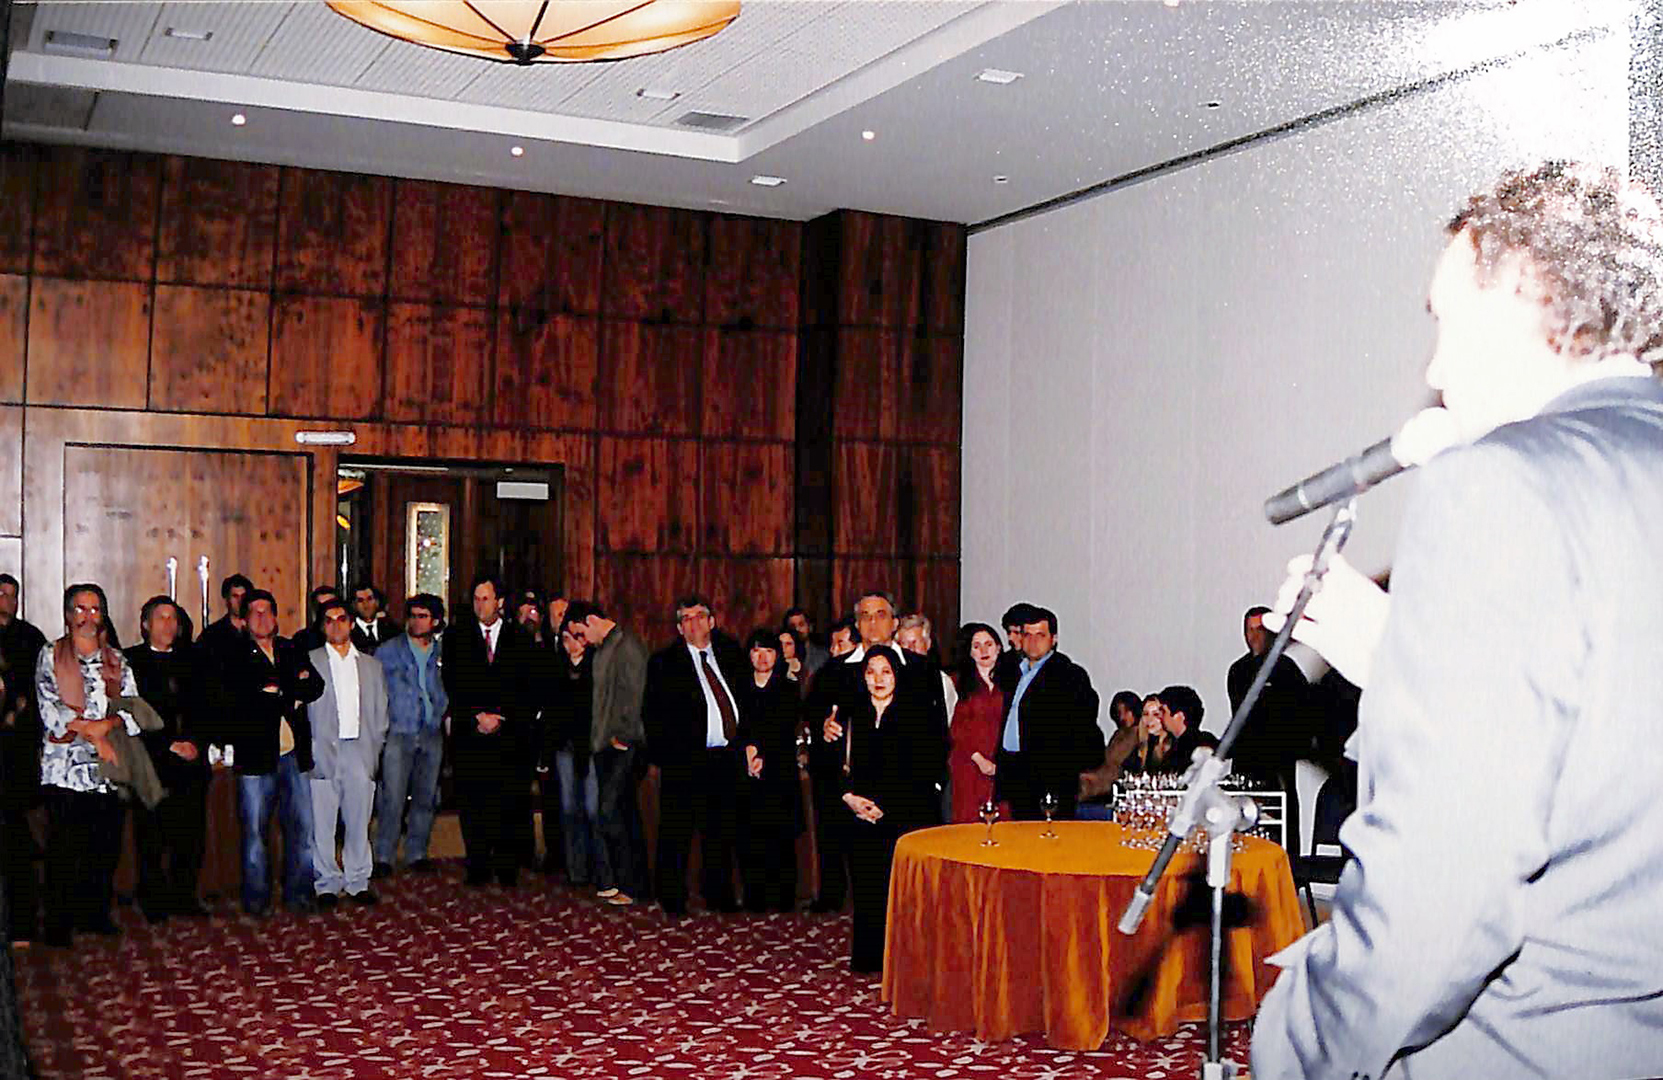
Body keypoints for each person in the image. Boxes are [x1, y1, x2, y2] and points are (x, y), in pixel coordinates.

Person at [1251, 162, 1663, 1079]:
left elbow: (1441, 888)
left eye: (1443, 318)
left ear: (1520, 288)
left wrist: (1296, 1042)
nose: (1432, 372)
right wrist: (1397, 664)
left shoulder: (1497, 482)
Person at [36, 584, 138, 946]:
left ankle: (95, 915)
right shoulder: (51, 655)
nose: (88, 616)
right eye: (80, 609)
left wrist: (105, 727)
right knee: (64, 848)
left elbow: (132, 709)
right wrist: (92, 733)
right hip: (64, 768)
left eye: (95, 609)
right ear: (68, 615)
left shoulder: (116, 660)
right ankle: (59, 923)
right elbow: (49, 709)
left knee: (104, 846)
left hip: (107, 769)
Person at [644, 595, 749, 917]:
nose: (694, 624)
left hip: (726, 758)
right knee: (676, 832)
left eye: (700, 616)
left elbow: (746, 700)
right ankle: (672, 898)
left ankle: (719, 894)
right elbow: (652, 714)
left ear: (712, 621)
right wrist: (668, 756)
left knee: (721, 831)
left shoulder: (731, 654)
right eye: (686, 619)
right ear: (679, 628)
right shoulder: (664, 662)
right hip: (685, 761)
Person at [840, 646, 943, 974]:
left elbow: (925, 770)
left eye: (886, 671)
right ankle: (869, 956)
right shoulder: (851, 713)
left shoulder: (916, 714)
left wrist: (885, 806)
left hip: (904, 816)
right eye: (871, 672)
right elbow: (833, 765)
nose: (878, 679)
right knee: (867, 888)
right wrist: (850, 798)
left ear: (897, 675)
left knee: (902, 892)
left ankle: (902, 961)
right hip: (859, 814)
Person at [225, 590, 325, 916]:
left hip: (294, 755)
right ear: (244, 620)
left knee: (302, 830)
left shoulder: (290, 648)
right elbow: (239, 700)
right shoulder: (234, 655)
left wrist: (277, 691)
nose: (262, 617)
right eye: (255, 612)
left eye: (268, 611)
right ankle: (257, 901)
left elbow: (315, 686)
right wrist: (289, 691)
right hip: (255, 758)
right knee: (255, 833)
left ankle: (299, 895)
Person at [441, 576, 533, 887]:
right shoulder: (457, 636)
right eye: (476, 599)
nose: (480, 605)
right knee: (473, 801)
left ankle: (506, 865)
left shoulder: (520, 637)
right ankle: (477, 864)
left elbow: (526, 685)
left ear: (500, 602)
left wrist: (501, 717)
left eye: (486, 598)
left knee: (508, 800)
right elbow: (452, 681)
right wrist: (477, 715)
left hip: (509, 734)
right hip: (471, 732)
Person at [125, 596, 211, 921]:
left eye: (173, 618)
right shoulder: (131, 661)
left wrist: (196, 742)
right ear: (145, 624)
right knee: (151, 835)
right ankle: (153, 900)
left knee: (190, 835)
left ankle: (184, 896)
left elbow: (209, 705)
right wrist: (168, 745)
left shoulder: (194, 658)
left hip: (192, 760)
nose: (168, 625)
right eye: (161, 618)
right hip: (152, 761)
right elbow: (130, 712)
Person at [564, 600, 649, 907]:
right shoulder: (604, 649)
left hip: (622, 746)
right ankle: (634, 885)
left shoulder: (627, 646)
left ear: (591, 620)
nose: (582, 641)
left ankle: (631, 884)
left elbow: (634, 696)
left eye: (581, 633)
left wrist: (621, 737)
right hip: (604, 745)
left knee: (612, 814)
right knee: (621, 813)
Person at [307, 598, 389, 907]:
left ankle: (357, 881)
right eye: (328, 620)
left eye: (341, 619)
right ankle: (326, 883)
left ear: (352, 624)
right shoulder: (309, 662)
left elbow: (381, 712)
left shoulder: (371, 665)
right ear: (322, 626)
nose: (336, 625)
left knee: (358, 821)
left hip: (359, 749)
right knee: (322, 823)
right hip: (323, 749)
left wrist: (373, 752)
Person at [994, 606, 1102, 820]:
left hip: (1050, 779)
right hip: (1014, 774)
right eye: (1027, 635)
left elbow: (1082, 728)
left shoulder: (1069, 675)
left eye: (1040, 635)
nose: (1033, 641)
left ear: (1054, 639)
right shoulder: (1012, 672)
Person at [373, 594, 447, 877]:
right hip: (399, 730)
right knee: (392, 797)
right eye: (413, 616)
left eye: (423, 616)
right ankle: (384, 855)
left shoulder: (442, 652)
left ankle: (417, 852)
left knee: (425, 796)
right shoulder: (388, 651)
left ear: (435, 621)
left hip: (431, 730)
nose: (416, 622)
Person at [736, 628, 802, 912]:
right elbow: (736, 726)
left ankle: (784, 897)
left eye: (769, 651)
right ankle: (754, 896)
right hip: (745, 770)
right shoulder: (738, 687)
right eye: (756, 651)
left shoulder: (788, 687)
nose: (762, 658)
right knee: (750, 834)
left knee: (780, 836)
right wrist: (748, 750)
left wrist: (762, 754)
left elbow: (784, 728)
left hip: (779, 770)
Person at [0, 573, 46, 944]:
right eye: (0, 593)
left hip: (16, 757)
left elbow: (40, 689)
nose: (6, 600)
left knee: (16, 841)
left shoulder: (30, 638)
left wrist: (17, 712)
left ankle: (22, 923)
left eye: (11, 595)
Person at [544, 617, 598, 886]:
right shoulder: (555, 667)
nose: (572, 645)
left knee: (592, 808)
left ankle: (597, 867)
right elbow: (551, 711)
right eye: (566, 639)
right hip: (564, 746)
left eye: (577, 638)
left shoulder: (596, 666)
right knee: (568, 807)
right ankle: (575, 869)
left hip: (590, 746)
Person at [946, 623, 1005, 824]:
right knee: (969, 822)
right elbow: (956, 729)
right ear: (970, 652)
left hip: (1000, 766)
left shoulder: (1011, 682)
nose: (983, 651)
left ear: (998, 648)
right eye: (976, 646)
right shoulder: (957, 683)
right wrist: (979, 759)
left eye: (989, 644)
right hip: (969, 763)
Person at [782, 607, 830, 682]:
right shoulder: (780, 656)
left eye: (801, 625)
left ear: (810, 627)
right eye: (792, 626)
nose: (797, 629)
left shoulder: (823, 656)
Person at [348, 583, 398, 653]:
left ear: (377, 602)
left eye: (369, 599)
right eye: (360, 600)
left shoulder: (392, 630)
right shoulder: (348, 633)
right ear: (354, 605)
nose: (366, 605)